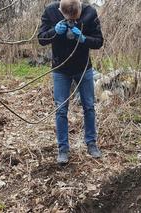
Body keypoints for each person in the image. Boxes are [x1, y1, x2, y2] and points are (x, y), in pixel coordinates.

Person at [38, 0, 104, 165]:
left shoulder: (90, 12)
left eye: (75, 18)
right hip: (60, 69)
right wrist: (54, 31)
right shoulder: (50, 11)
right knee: (61, 109)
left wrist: (83, 39)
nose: (71, 21)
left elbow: (99, 41)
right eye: (68, 19)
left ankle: (91, 143)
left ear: (80, 9)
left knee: (89, 106)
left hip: (83, 69)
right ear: (61, 10)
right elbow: (41, 39)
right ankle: (63, 149)